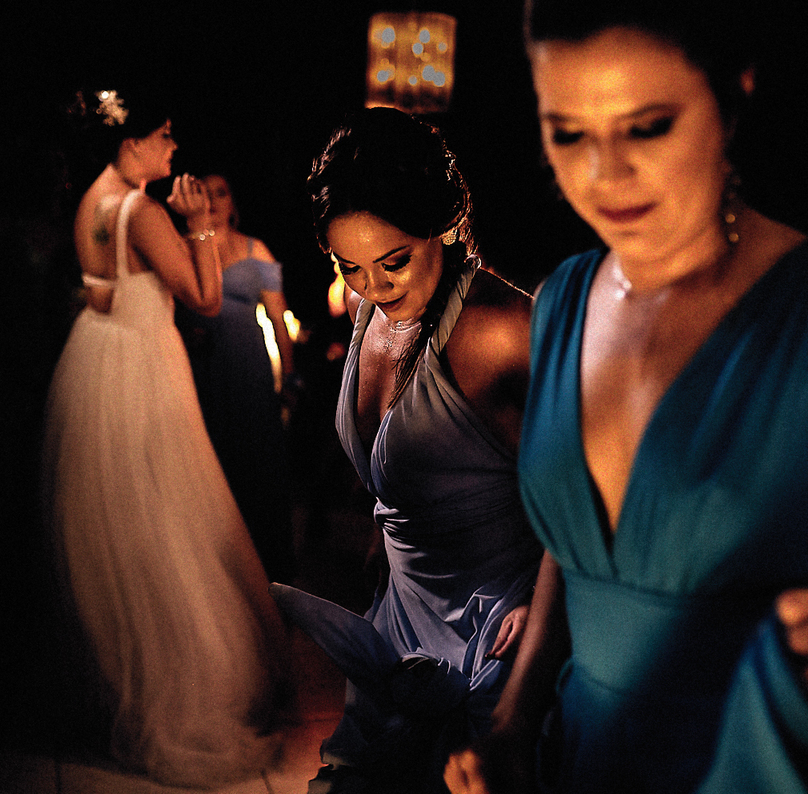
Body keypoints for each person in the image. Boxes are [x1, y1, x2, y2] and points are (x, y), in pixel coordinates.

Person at [444, 0, 808, 792]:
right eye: (568, 133)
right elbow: (577, 553)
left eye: (647, 127)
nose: (604, 174)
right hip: (585, 759)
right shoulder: (561, 301)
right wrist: (513, 724)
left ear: (732, 95)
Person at [270, 106, 543, 793]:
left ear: (444, 225)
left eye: (394, 261)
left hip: (493, 633)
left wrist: (544, 603)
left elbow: (596, 489)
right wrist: (382, 536)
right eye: (350, 267)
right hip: (398, 616)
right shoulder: (365, 309)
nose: (373, 286)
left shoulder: (498, 333)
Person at [42, 83, 291, 788]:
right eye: (166, 136)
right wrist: (201, 226)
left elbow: (100, 291)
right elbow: (206, 301)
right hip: (143, 365)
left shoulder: (91, 198)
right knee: (178, 524)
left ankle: (115, 690)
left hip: (96, 359)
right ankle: (198, 688)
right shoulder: (143, 210)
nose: (174, 147)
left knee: (119, 530)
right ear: (133, 141)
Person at [176, 172, 297, 583]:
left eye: (220, 193)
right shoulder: (183, 247)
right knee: (208, 457)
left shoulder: (254, 249)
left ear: (232, 202)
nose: (212, 200)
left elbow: (279, 319)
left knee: (256, 458)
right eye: (203, 193)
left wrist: (289, 376)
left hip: (247, 366)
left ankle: (268, 567)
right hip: (198, 365)